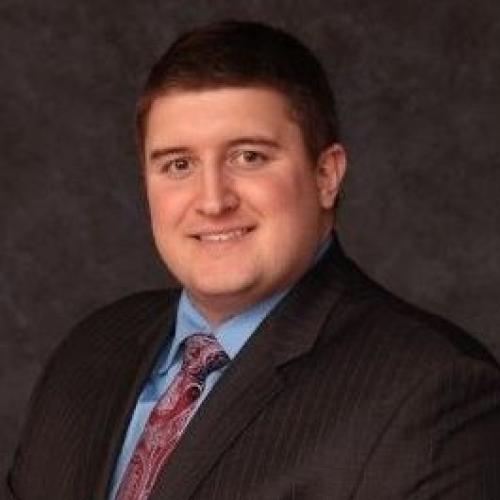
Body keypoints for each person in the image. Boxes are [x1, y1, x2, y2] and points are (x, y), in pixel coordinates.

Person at [6, 20, 500, 500]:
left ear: (326, 175)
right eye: (179, 164)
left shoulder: (434, 391)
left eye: (249, 157)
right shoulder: (89, 353)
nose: (212, 200)